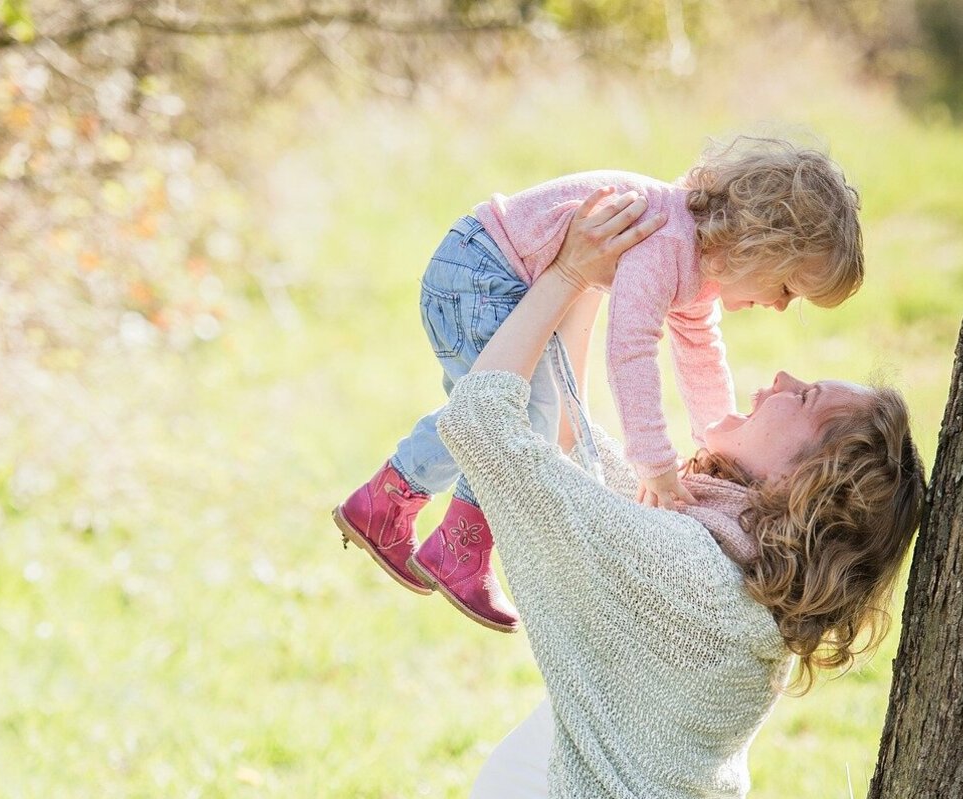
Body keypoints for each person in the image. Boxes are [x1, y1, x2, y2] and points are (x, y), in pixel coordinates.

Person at [438, 195, 927, 797]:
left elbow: (482, 426)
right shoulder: (732, 559)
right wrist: (599, 279)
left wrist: (566, 274)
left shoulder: (690, 577)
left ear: (803, 484)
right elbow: (574, 451)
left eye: (803, 399)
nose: (781, 380)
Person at [333, 137, 865, 633]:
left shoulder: (699, 265)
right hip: (481, 272)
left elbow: (700, 355)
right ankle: (456, 543)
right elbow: (630, 349)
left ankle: (389, 504)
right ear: (759, 245)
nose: (777, 305)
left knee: (505, 410)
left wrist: (714, 443)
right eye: (788, 287)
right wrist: (654, 461)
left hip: (490, 271)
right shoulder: (670, 242)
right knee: (510, 414)